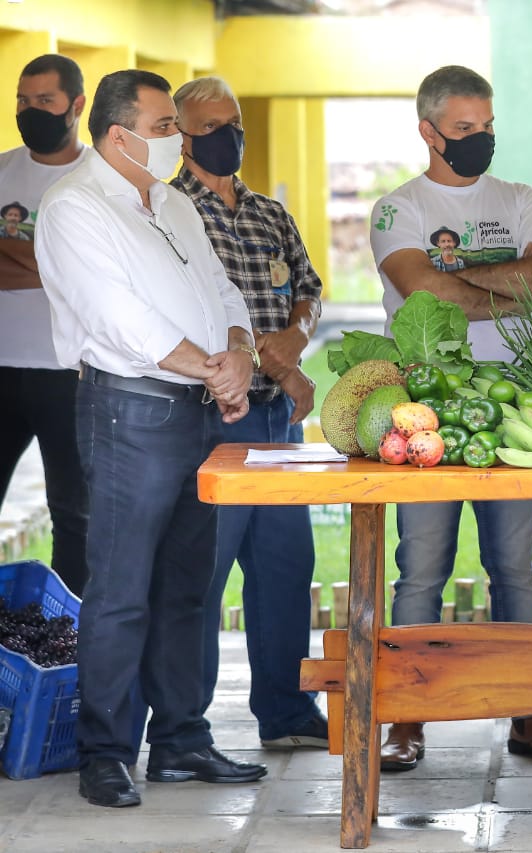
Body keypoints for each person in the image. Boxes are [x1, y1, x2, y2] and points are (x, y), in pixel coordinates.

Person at [35, 69, 267, 808]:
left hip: (199, 408)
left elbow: (223, 291)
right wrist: (209, 366)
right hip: (130, 412)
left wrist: (236, 356)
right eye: (166, 126)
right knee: (122, 589)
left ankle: (180, 741)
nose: (181, 138)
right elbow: (115, 317)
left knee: (185, 587)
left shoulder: (172, 201)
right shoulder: (74, 206)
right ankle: (104, 750)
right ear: (118, 134)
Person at [369, 65, 532, 769]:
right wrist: (507, 289)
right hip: (424, 410)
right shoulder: (399, 210)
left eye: (486, 126)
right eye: (464, 130)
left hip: (512, 409)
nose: (480, 138)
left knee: (515, 568)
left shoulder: (520, 198)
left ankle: (530, 713)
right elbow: (421, 289)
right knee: (420, 567)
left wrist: (468, 289)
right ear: (428, 131)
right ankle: (407, 715)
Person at [170, 76, 328, 750]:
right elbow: (194, 314)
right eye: (210, 126)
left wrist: (298, 333)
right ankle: (185, 727)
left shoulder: (268, 212)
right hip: (211, 416)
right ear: (181, 135)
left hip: (278, 422)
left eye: (232, 121)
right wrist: (280, 364)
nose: (227, 134)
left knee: (286, 565)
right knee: (202, 574)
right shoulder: (171, 211)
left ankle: (288, 713)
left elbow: (311, 287)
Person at [0, 55, 90, 597]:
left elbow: (86, 276)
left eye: (45, 102)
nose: (31, 112)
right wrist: (51, 261)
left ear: (76, 106)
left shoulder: (97, 180)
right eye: (23, 101)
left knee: (74, 518)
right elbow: (65, 270)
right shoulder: (2, 169)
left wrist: (19, 255)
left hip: (70, 376)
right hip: (1, 369)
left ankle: (71, 643)